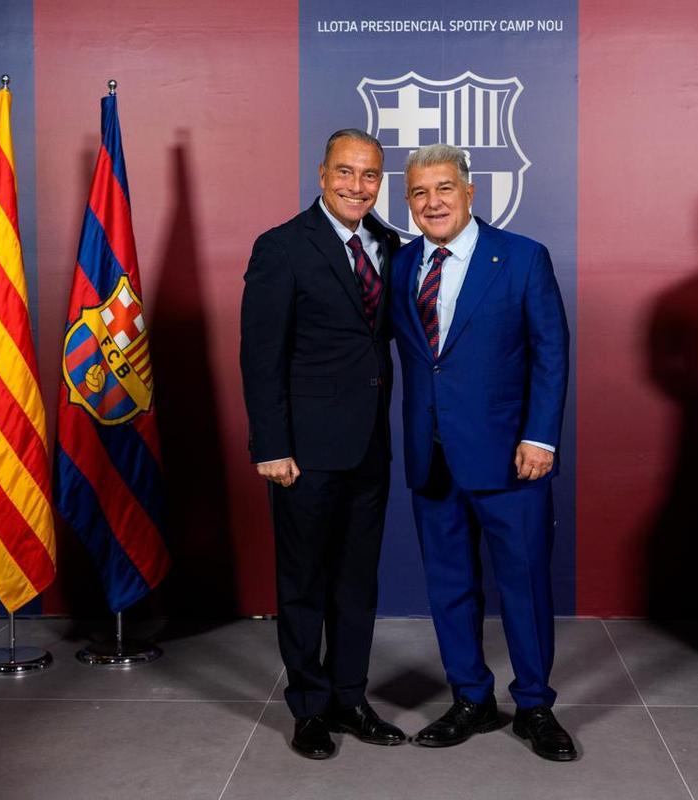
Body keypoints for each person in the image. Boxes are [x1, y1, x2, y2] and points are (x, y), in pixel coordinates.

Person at [390, 143, 576, 761]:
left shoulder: (522, 258)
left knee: (523, 584)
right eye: (419, 192)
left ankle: (534, 706)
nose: (432, 201)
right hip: (432, 455)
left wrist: (541, 435)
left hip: (509, 457)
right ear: (408, 202)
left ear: (471, 192)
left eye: (444, 188)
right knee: (449, 586)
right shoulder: (401, 265)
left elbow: (550, 353)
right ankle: (471, 697)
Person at [240, 129, 404, 759]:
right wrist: (271, 444)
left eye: (369, 176)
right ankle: (309, 707)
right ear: (321, 174)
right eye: (346, 173)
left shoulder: (390, 244)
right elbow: (261, 357)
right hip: (302, 453)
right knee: (304, 581)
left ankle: (350, 698)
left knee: (357, 581)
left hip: (369, 447)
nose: (357, 186)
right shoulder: (281, 247)